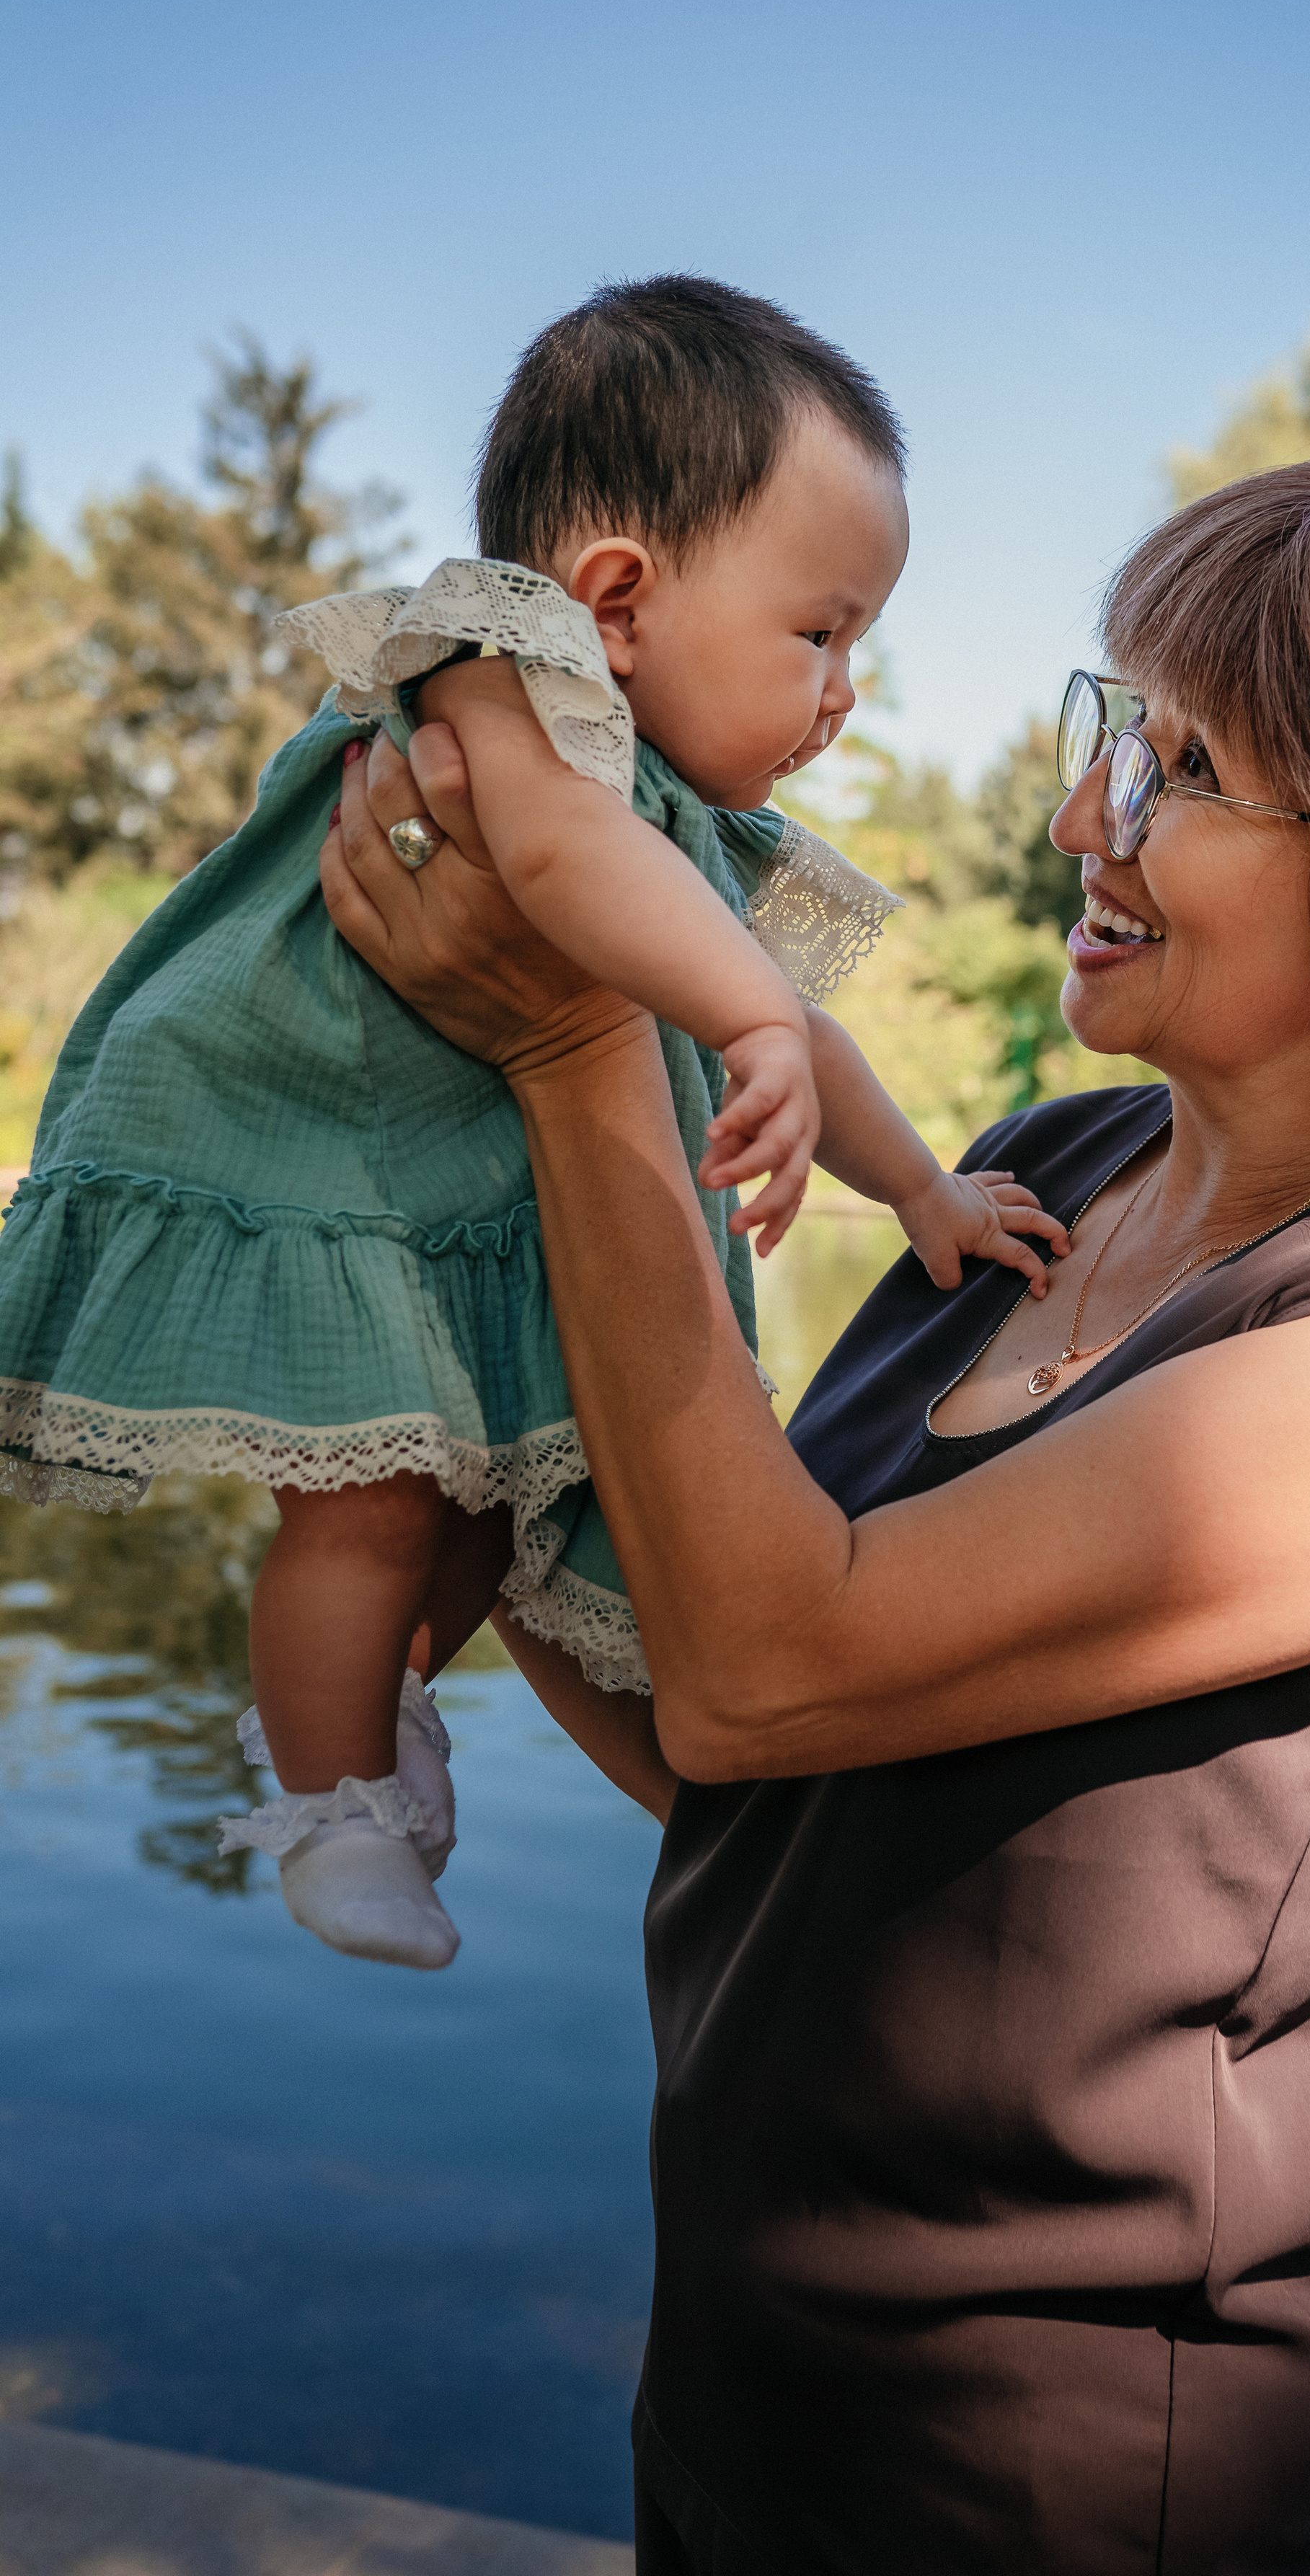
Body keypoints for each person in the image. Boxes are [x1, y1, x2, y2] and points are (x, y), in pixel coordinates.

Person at [324, 455, 1310, 2574]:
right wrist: (449, 1487)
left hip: (1048, 2462)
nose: (1085, 818)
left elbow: (775, 1669)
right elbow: (745, 1749)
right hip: (735, 2362)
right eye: (1112, 730)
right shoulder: (1041, 1169)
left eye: (1185, 765)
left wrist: (580, 1037)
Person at [0, 278, 1061, 1972]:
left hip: (482, 1213)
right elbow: (565, 869)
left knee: (494, 1507)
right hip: (332, 1160)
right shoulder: (501, 676)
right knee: (367, 1503)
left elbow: (807, 1020)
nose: (845, 689)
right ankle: (329, 1803)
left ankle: (387, 1711)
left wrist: (920, 1185)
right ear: (616, 600)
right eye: (819, 631)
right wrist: (737, 1019)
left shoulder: (676, 817)